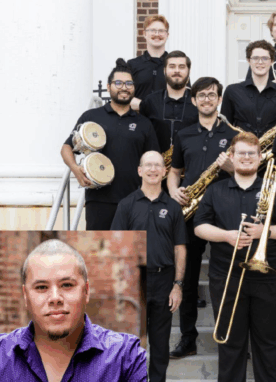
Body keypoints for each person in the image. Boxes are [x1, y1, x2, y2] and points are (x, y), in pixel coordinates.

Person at [193, 132, 276, 382]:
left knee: (269, 343)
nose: (247, 157)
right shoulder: (216, 190)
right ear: (231, 156)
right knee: (230, 343)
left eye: (252, 153)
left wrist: (266, 231)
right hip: (226, 277)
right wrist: (226, 236)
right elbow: (199, 226)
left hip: (269, 278)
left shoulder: (274, 188)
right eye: (241, 153)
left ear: (260, 157)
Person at [0, 240, 147, 382]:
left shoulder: (127, 358)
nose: (55, 297)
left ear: (86, 291)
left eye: (67, 285)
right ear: (26, 296)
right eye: (41, 287)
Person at [166, 77, 239, 359]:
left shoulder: (233, 134)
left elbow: (246, 172)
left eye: (212, 95)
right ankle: (188, 337)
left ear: (219, 99)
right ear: (193, 100)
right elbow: (174, 171)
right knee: (187, 275)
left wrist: (231, 166)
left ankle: (232, 337)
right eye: (201, 95)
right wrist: (173, 191)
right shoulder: (183, 134)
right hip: (190, 211)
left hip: (226, 211)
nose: (207, 100)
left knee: (228, 276)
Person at [111, 151, 187, 382]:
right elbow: (116, 247)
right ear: (140, 170)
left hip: (165, 281)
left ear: (165, 172)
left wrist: (178, 285)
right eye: (148, 165)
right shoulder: (126, 205)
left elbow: (180, 249)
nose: (153, 170)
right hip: (135, 280)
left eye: (158, 166)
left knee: (161, 344)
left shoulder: (174, 208)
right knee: (132, 344)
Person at [61, 58, 160, 230]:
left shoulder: (144, 123)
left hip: (135, 200)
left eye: (129, 83)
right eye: (119, 83)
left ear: (134, 88)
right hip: (99, 200)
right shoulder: (91, 116)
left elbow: (154, 160)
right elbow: (66, 147)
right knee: (99, 252)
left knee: (132, 252)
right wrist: (76, 170)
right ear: (108, 87)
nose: (124, 87)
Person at [221, 40, 276, 138]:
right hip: (240, 150)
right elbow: (224, 127)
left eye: (265, 58)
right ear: (248, 60)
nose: (260, 62)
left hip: (272, 152)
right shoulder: (232, 91)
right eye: (255, 58)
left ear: (271, 61)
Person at [139, 51, 198, 166]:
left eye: (181, 67)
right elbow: (142, 136)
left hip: (189, 170)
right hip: (155, 169)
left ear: (188, 71)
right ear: (164, 70)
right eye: (172, 66)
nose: (177, 70)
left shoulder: (198, 102)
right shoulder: (150, 101)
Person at [129, 15, 171, 110]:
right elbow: (123, 96)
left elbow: (186, 96)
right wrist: (144, 105)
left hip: (167, 122)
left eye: (161, 31)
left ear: (167, 35)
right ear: (144, 34)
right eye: (152, 30)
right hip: (138, 121)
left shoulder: (176, 66)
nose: (157, 34)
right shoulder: (132, 65)